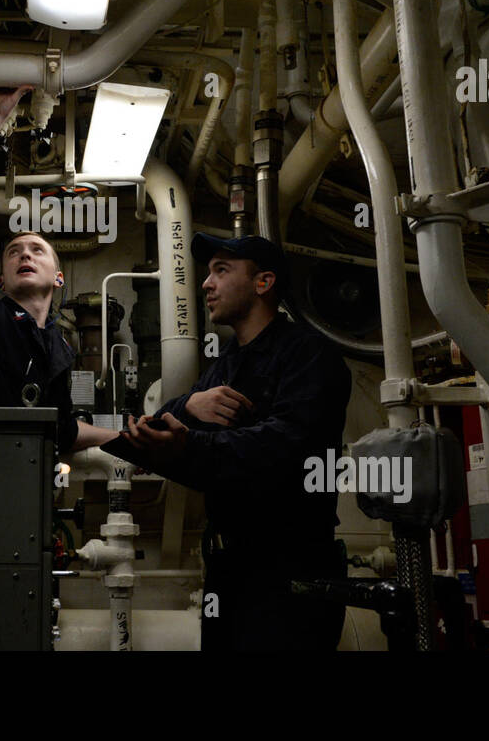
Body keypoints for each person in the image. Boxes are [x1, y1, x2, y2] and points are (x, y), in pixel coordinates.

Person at [104, 233, 352, 651]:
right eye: (207, 272)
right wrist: (189, 406)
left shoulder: (309, 356)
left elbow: (286, 449)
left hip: (290, 571)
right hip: (227, 568)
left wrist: (188, 446)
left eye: (221, 270)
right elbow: (167, 426)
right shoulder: (225, 365)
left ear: (263, 283)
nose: (206, 283)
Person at [0, 85, 114, 453]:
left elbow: (62, 429)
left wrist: (127, 438)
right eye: (14, 251)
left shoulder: (59, 349)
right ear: (1, 279)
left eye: (37, 250)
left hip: (26, 490)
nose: (24, 255)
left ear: (58, 278)